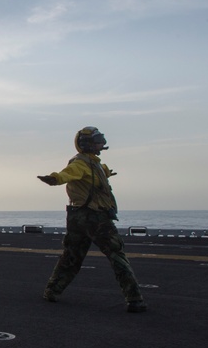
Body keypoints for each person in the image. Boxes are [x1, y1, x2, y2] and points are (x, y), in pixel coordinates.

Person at [38, 126, 147, 313]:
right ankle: (134, 298)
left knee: (72, 256)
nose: (101, 143)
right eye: (98, 140)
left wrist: (107, 173)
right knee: (116, 254)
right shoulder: (80, 163)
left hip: (78, 218)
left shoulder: (94, 164)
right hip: (94, 218)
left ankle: (52, 291)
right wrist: (55, 178)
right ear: (87, 143)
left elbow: (98, 173)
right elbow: (67, 173)